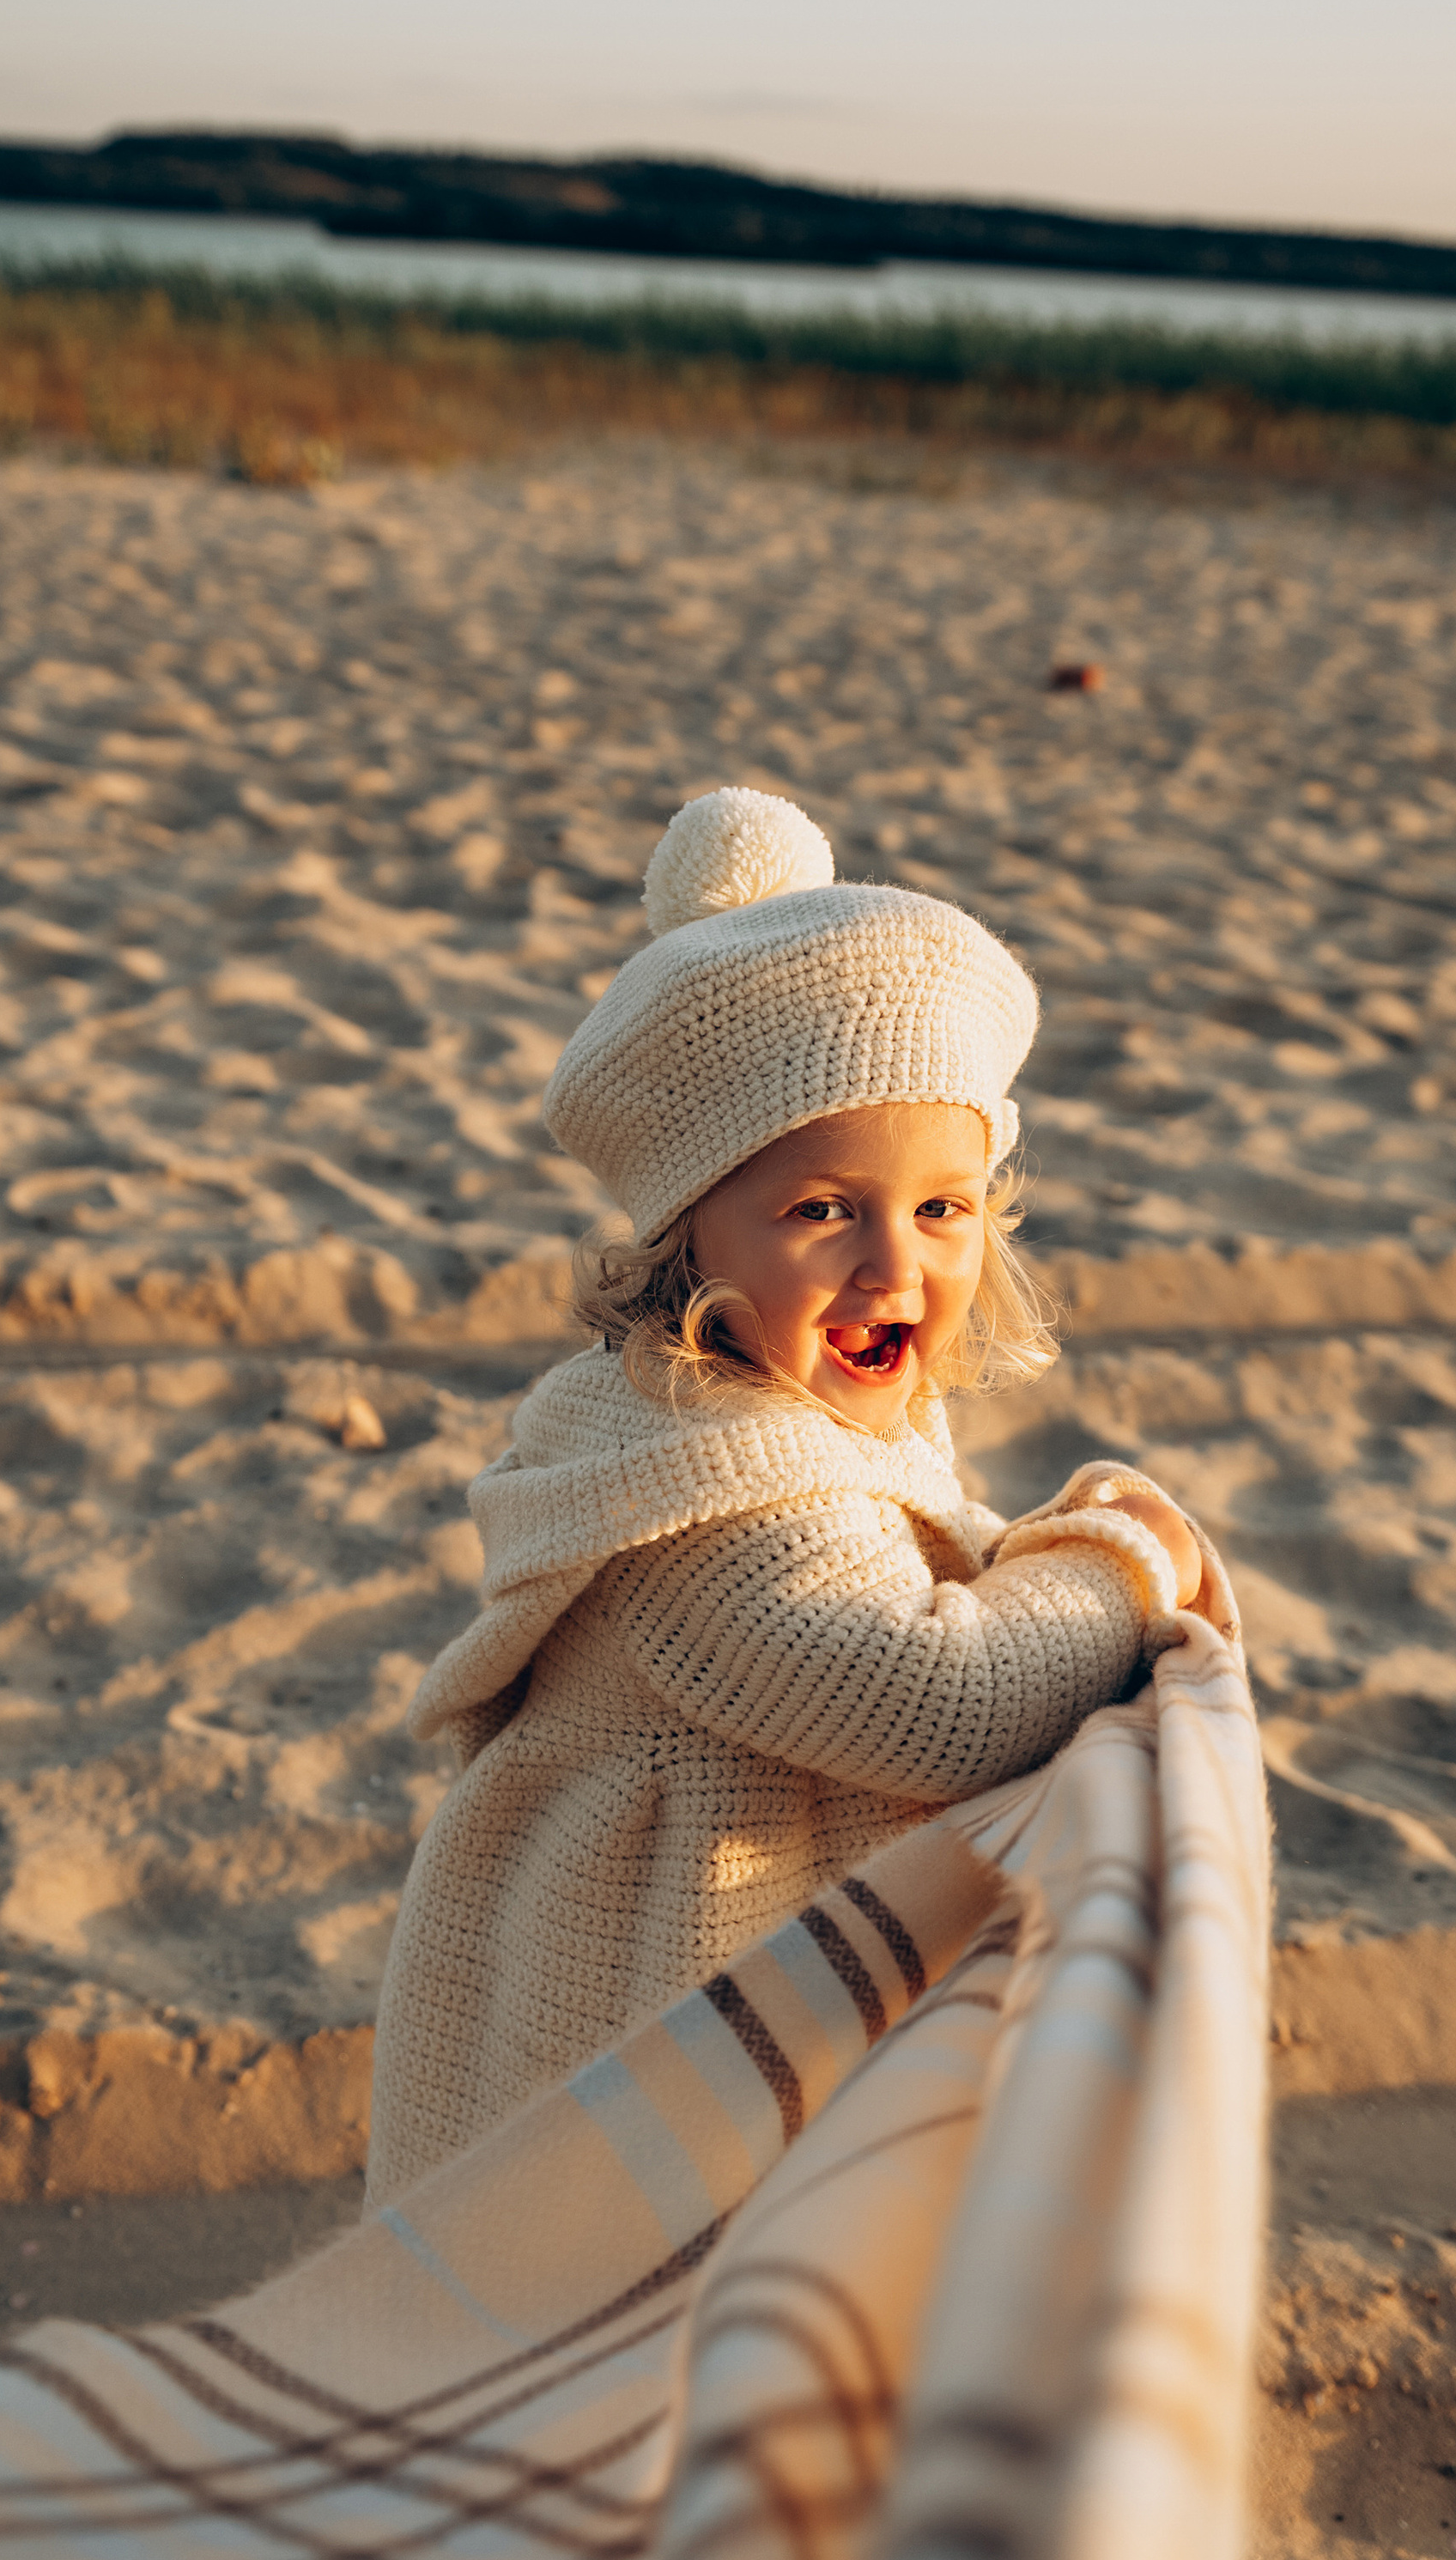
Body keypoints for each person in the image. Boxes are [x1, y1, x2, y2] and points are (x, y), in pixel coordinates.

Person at [364, 787, 1210, 2198]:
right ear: (688, 1237)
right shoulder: (700, 1493)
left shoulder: (804, 1407)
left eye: (942, 1209)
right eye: (825, 1209)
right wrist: (1113, 1567)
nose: (896, 1265)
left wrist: (1013, 1556)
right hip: (649, 2046)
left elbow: (901, 1577)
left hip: (743, 2004)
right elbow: (939, 1702)